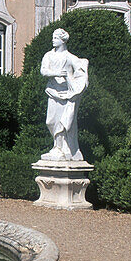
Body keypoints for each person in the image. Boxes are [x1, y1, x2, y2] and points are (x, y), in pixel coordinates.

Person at [39, 28, 88, 161]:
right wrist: (56, 73)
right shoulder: (48, 55)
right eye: (53, 38)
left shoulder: (70, 58)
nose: (52, 40)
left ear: (62, 40)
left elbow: (81, 73)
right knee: (50, 121)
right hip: (53, 92)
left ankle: (62, 148)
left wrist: (76, 83)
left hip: (66, 95)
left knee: (64, 122)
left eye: (55, 38)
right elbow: (43, 71)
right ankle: (56, 146)